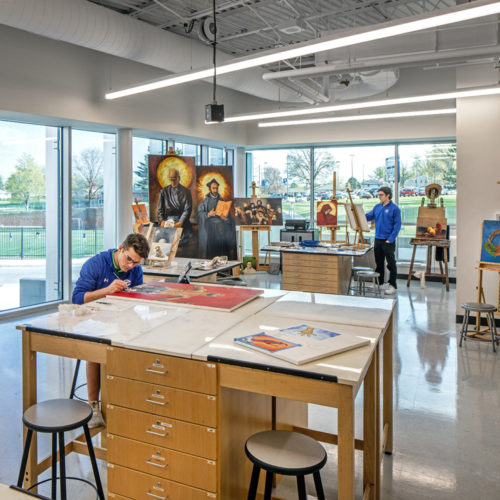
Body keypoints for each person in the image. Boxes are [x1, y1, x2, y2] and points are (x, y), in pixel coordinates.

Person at [72, 233, 150, 427]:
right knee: (95, 350)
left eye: (136, 263)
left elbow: (137, 297)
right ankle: (94, 406)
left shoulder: (135, 270)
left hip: (122, 319)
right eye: (129, 259)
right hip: (93, 319)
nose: (130, 266)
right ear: (121, 249)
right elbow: (77, 298)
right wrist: (107, 291)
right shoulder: (96, 264)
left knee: (139, 342)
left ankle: (126, 402)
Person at [365, 186, 401, 295]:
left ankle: (392, 285)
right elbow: (368, 216)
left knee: (391, 264)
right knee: (379, 263)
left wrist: (390, 239)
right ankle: (379, 283)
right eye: (378, 195)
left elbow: (397, 225)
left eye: (381, 195)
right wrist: (357, 213)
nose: (379, 197)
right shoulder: (377, 207)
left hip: (388, 241)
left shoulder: (395, 209)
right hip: (378, 239)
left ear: (388, 195)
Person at [197, 178, 237, 259]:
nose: (215, 190)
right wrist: (208, 214)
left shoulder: (222, 200)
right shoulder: (205, 201)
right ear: (210, 189)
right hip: (210, 229)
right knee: (212, 252)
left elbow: (229, 218)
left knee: (222, 251)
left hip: (221, 230)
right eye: (213, 188)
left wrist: (225, 218)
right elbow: (199, 213)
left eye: (216, 188)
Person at [157, 168, 193, 246]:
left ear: (179, 178)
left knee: (181, 241)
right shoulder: (164, 192)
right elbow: (160, 209)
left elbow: (187, 209)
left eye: (174, 179)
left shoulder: (186, 192)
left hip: (182, 221)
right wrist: (161, 221)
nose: (172, 182)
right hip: (168, 221)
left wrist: (180, 222)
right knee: (162, 240)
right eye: (171, 179)